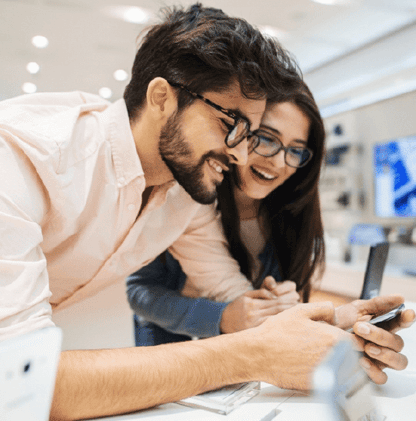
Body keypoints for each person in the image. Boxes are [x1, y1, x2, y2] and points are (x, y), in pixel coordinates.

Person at [0, 4, 413, 421]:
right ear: (162, 97)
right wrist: (251, 352)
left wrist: (324, 324)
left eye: (252, 132)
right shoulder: (11, 150)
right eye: (230, 124)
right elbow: (30, 381)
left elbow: (228, 297)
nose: (241, 154)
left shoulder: (189, 186)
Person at [127, 82, 328, 345]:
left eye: (295, 150)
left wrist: (277, 300)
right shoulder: (186, 197)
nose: (278, 162)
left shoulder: (289, 212)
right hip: (173, 351)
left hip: (246, 356)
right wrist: (219, 316)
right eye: (266, 138)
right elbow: (140, 289)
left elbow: (249, 300)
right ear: (237, 134)